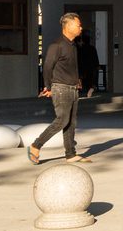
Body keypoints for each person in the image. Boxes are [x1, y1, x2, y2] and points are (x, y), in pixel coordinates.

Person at [29, 12, 88, 164]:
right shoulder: (57, 45)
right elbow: (47, 67)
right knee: (62, 120)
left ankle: (71, 154)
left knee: (71, 123)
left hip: (73, 88)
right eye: (78, 25)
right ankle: (36, 145)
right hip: (61, 89)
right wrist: (48, 87)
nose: (81, 28)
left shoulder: (73, 45)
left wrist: (77, 80)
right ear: (68, 26)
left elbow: (70, 66)